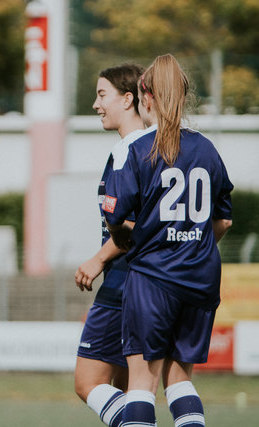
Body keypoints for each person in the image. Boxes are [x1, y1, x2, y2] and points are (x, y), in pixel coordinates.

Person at [102, 54, 233, 426]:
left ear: (145, 98)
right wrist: (194, 243)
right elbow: (223, 218)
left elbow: (114, 216)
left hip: (153, 277)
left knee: (142, 384)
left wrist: (124, 238)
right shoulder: (207, 148)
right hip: (201, 277)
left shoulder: (137, 148)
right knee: (179, 380)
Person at [73, 63, 148, 426]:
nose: (95, 104)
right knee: (129, 386)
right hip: (150, 283)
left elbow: (137, 225)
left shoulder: (129, 151)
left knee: (88, 383)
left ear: (128, 98)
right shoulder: (158, 148)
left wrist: (99, 258)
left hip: (122, 282)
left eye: (102, 95)